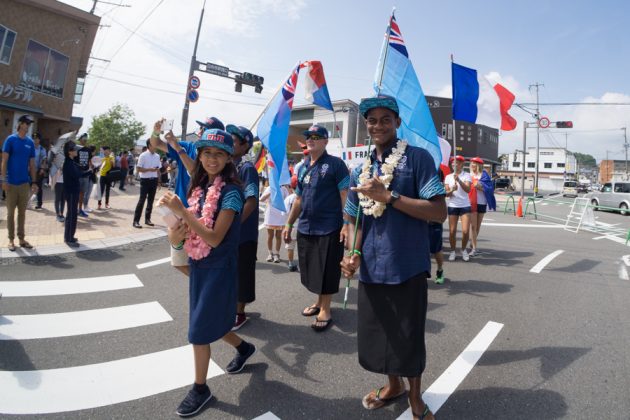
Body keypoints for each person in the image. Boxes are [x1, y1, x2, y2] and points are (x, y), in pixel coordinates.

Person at [340, 95, 446, 420]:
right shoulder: (362, 168)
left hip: (408, 265)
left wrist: (390, 196)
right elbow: (354, 219)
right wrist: (353, 253)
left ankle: (415, 396)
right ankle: (393, 386)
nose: (378, 125)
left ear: (398, 123)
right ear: (366, 124)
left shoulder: (418, 159)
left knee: (408, 335)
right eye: (372, 120)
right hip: (373, 267)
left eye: (386, 119)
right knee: (381, 333)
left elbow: (439, 211)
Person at [159, 129, 256, 417]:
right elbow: (190, 232)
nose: (211, 159)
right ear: (199, 156)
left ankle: (200, 388)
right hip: (200, 265)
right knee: (211, 319)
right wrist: (175, 233)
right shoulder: (199, 188)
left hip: (220, 268)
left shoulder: (233, 192)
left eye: (218, 154)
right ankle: (244, 348)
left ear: (228, 158)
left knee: (199, 331)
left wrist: (183, 212)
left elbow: (214, 238)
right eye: (206, 153)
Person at [283, 124, 349, 332]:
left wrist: (347, 224)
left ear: (325, 141)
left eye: (316, 136)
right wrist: (289, 223)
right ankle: (319, 302)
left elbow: (344, 196)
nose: (311, 139)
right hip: (306, 227)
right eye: (308, 136)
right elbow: (299, 200)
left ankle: (326, 309)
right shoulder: (302, 167)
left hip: (329, 227)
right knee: (312, 268)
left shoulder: (336, 165)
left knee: (327, 269)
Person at [150, 117, 225, 275]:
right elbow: (156, 144)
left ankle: (206, 285)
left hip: (201, 212)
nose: (200, 132)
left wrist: (178, 148)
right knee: (178, 260)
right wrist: (156, 132)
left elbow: (196, 174)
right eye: (201, 128)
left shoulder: (212, 156)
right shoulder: (188, 146)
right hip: (179, 209)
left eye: (205, 129)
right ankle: (203, 283)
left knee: (200, 256)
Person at [226, 124, 259, 331]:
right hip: (226, 231)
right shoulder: (227, 166)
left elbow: (252, 200)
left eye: (234, 139)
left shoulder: (246, 168)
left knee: (242, 272)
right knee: (229, 271)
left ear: (245, 145)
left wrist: (235, 225)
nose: (230, 141)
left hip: (242, 233)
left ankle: (240, 312)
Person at [1, 115, 39, 251]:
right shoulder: (10, 140)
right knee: (10, 214)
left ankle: (21, 239)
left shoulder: (30, 142)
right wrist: (3, 179)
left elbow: (32, 164)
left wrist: (34, 182)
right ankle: (11, 240)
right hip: (10, 183)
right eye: (26, 123)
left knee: (22, 213)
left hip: (24, 183)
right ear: (20, 124)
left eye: (29, 124)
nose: (28, 126)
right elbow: (4, 161)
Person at [62, 141, 90, 247]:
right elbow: (77, 175)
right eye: (74, 149)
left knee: (72, 214)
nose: (76, 151)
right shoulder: (68, 163)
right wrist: (88, 172)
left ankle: (70, 236)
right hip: (71, 192)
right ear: (69, 152)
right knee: (72, 215)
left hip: (73, 191)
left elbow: (80, 172)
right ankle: (69, 238)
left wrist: (90, 171)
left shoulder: (71, 161)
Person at [444, 155, 472, 262]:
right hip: (453, 205)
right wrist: (452, 189)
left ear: (461, 164)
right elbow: (446, 194)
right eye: (452, 162)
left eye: (456, 162)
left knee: (465, 231)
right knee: (452, 231)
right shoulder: (448, 177)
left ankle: (464, 250)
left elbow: (468, 189)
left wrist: (459, 181)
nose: (453, 164)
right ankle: (452, 251)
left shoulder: (467, 175)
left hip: (465, 205)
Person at [468, 157, 496, 257]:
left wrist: (480, 187)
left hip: (482, 202)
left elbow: (489, 189)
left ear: (478, 165)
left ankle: (472, 244)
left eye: (474, 164)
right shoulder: (468, 175)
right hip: (471, 202)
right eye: (471, 164)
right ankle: (474, 249)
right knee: (473, 226)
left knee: (477, 227)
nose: (472, 165)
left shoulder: (484, 175)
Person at [133, 139, 161, 228]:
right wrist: (149, 169)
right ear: (149, 145)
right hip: (145, 181)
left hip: (154, 180)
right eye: (154, 144)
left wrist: (159, 181)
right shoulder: (143, 155)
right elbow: (138, 169)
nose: (156, 146)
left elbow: (158, 170)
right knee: (142, 200)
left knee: (151, 201)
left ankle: (147, 219)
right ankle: (136, 221)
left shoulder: (157, 156)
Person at [260, 183, 289, 263]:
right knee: (270, 236)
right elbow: (261, 199)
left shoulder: (284, 189)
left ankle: (277, 254)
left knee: (278, 236)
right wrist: (270, 192)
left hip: (280, 215)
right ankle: (270, 253)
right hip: (270, 215)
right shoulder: (270, 188)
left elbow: (287, 201)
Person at [283, 175, 299, 272]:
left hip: (291, 226)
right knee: (304, 247)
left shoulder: (289, 198)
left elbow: (284, 212)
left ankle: (290, 263)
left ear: (291, 186)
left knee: (290, 246)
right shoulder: (305, 196)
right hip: (303, 226)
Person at [75, 133, 92, 217]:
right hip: (77, 175)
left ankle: (80, 209)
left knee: (82, 193)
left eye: (86, 138)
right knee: (75, 193)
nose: (85, 139)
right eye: (84, 138)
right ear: (80, 139)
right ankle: (73, 210)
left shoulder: (88, 150)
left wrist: (92, 167)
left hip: (85, 175)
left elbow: (89, 161)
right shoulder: (76, 148)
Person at [32, 133, 47, 209]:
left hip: (38, 170)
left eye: (37, 138)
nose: (35, 140)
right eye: (34, 138)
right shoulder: (30, 147)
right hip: (30, 170)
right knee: (29, 186)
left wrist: (42, 169)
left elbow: (44, 159)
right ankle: (28, 201)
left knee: (39, 187)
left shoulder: (42, 149)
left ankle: (39, 203)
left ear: (39, 140)